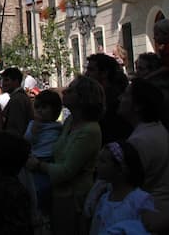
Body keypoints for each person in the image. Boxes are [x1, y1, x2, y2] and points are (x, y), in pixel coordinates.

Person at [28, 75, 104, 235]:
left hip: (74, 199)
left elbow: (66, 171)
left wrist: (38, 165)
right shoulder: (70, 121)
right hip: (58, 195)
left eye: (70, 90)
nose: (65, 92)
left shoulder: (90, 130)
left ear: (82, 98)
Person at [119, 78, 169, 234]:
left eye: (125, 95)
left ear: (138, 106)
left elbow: (125, 183)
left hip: (147, 217)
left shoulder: (141, 140)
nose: (120, 99)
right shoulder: (154, 130)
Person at [84, 141, 154, 235]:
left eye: (103, 161)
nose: (97, 165)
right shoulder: (103, 198)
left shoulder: (140, 201)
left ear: (121, 169)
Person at [24, 89, 63, 214]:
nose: (40, 110)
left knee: (44, 190)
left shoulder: (58, 127)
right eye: (37, 107)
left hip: (49, 161)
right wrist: (35, 129)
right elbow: (27, 141)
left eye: (44, 107)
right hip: (34, 159)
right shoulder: (32, 124)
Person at [135, 51, 169, 146]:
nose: (137, 73)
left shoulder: (159, 93)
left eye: (141, 69)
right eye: (137, 68)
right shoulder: (157, 90)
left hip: (165, 146)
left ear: (153, 71)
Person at [85, 53, 132, 144]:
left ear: (104, 73)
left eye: (91, 70)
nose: (87, 74)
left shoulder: (114, 100)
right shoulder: (98, 96)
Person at [0, 67, 33, 136]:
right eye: (3, 80)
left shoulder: (17, 99)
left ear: (16, 81)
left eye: (6, 80)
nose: (3, 83)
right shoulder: (18, 97)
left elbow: (15, 128)